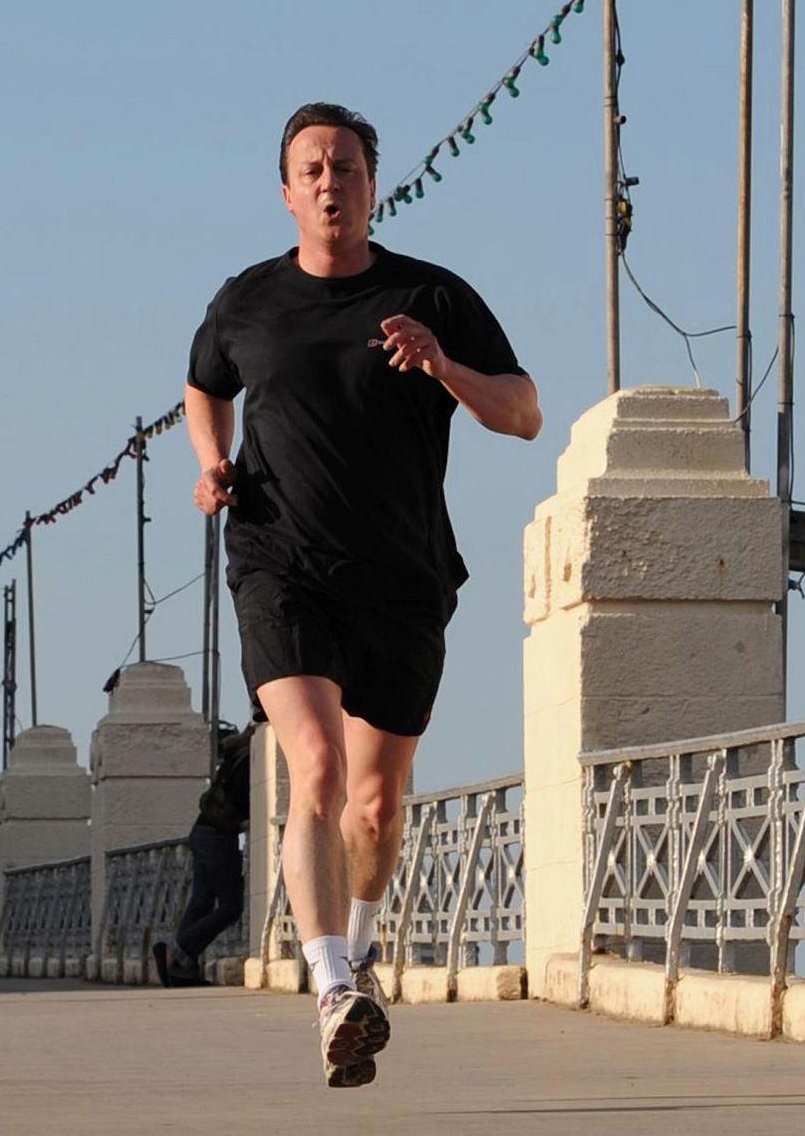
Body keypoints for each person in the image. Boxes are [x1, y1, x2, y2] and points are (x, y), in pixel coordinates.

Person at [184, 102, 541, 1088]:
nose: (330, 182)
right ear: (287, 191)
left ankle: (364, 948)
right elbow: (202, 384)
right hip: (277, 562)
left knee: (376, 808)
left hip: (402, 575)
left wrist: (443, 366)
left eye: (346, 165)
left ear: (373, 183)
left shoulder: (432, 295)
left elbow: (522, 412)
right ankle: (333, 984)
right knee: (318, 770)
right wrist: (213, 464)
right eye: (311, 168)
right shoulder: (248, 303)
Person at [153, 722, 254, 987]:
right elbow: (246, 802)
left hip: (203, 831)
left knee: (202, 901)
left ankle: (180, 968)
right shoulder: (249, 762)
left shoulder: (237, 755)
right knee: (231, 906)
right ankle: (176, 951)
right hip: (219, 836)